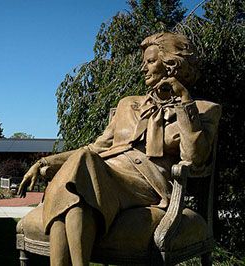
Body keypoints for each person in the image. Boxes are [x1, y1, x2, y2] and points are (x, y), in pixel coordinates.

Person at [18, 32, 221, 266]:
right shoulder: (127, 105)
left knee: (79, 175)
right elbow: (95, 147)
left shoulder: (204, 110)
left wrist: (185, 102)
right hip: (104, 175)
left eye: (150, 62)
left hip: (147, 184)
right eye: (143, 62)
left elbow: (195, 159)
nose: (143, 69)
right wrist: (44, 163)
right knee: (77, 188)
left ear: (172, 66)